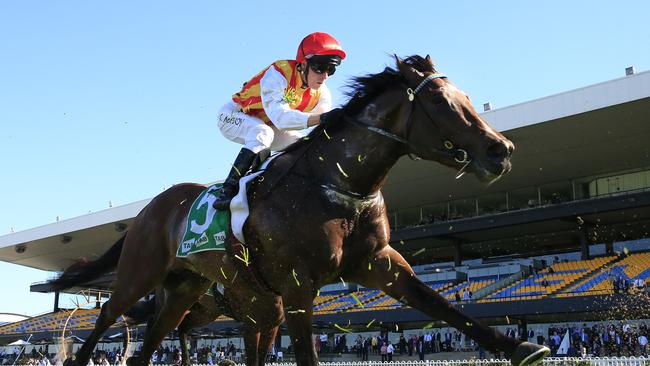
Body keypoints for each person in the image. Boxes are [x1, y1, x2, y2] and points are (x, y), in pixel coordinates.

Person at [213, 32, 346, 209]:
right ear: (303, 64)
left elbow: (320, 129)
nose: (325, 76)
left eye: (331, 69)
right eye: (320, 68)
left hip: (266, 124)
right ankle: (227, 190)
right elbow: (281, 118)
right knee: (262, 133)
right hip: (232, 116)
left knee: (301, 145)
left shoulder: (322, 94)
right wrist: (321, 118)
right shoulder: (278, 73)